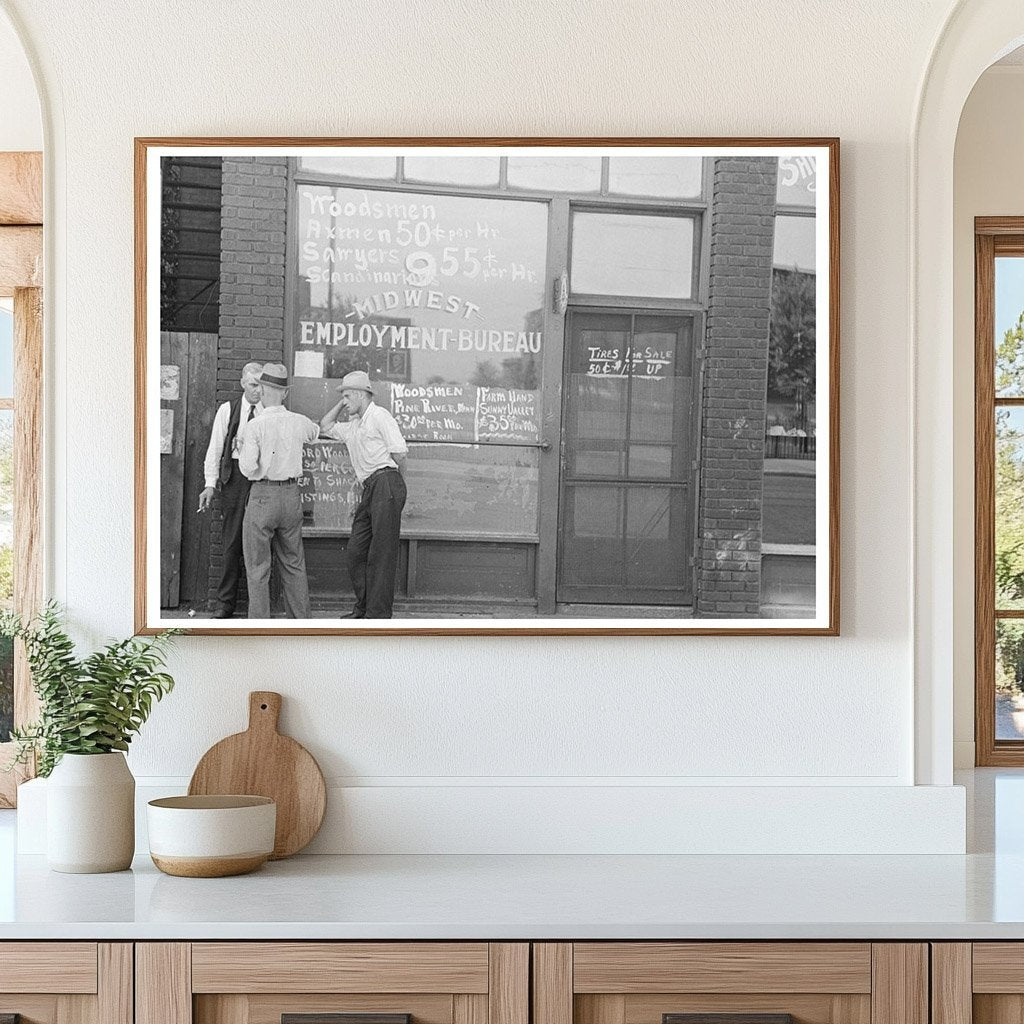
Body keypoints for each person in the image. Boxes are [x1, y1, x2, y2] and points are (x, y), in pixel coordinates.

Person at [320, 371, 408, 619]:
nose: (345, 401)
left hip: (386, 481)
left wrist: (399, 486)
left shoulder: (380, 416)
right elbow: (325, 426)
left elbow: (400, 453)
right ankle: (364, 607)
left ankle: (377, 615)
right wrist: (342, 403)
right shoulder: (353, 426)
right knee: (356, 552)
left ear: (361, 394)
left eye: (348, 396)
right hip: (370, 488)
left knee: (382, 553)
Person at [237, 363, 319, 619]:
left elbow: (248, 468)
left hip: (263, 495)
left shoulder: (255, 425)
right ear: (285, 392)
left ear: (262, 390)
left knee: (258, 567)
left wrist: (242, 448)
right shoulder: (299, 421)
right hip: (291, 495)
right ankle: (301, 623)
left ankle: (260, 625)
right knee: (294, 563)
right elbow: (315, 433)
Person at [198, 361, 265, 618]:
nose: (258, 390)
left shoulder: (268, 412)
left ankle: (258, 607)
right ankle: (225, 603)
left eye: (261, 385)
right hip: (234, 479)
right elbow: (215, 448)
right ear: (242, 383)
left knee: (259, 542)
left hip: (260, 478)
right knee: (231, 542)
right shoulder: (228, 410)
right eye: (253, 384)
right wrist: (210, 484)